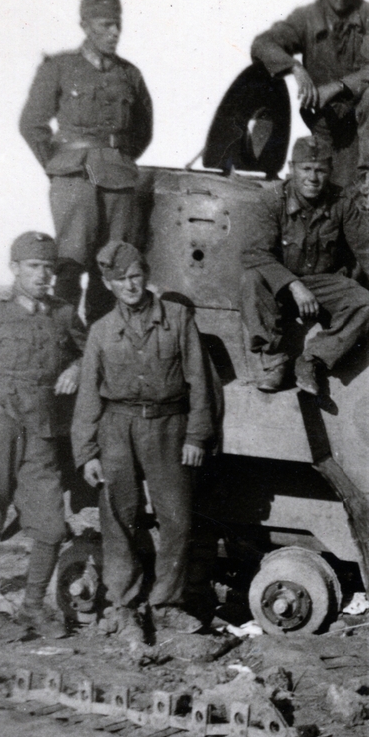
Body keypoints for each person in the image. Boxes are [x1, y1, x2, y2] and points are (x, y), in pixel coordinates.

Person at [0, 232, 85, 641]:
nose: (43, 275)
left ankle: (31, 609)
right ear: (14, 268)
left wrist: (75, 369)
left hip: (42, 430)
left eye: (48, 268)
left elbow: (86, 349)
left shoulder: (62, 313)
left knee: (51, 525)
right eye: (34, 267)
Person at [70, 242, 215, 641]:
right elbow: (88, 397)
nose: (130, 286)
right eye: (120, 280)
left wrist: (196, 435)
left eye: (135, 276)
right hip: (116, 427)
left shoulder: (179, 318)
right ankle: (125, 606)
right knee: (118, 517)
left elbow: (200, 382)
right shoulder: (101, 332)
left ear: (146, 275)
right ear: (108, 284)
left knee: (178, 518)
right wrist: (87, 453)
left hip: (168, 425)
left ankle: (166, 604)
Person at [240, 134, 369, 395]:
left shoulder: (341, 203)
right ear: (292, 169)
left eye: (321, 170)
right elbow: (256, 253)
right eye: (306, 169)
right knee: (252, 279)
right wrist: (293, 285)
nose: (313, 177)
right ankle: (272, 361)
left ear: (330, 171)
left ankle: (312, 361)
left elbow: (368, 249)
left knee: (365, 304)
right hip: (280, 283)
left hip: (323, 283)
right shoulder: (271, 200)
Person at [19, 0, 153, 323]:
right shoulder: (59, 67)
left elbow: (142, 130)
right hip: (74, 178)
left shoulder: (130, 75)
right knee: (69, 262)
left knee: (111, 263)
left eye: (117, 25)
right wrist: (58, 165)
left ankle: (98, 342)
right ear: (85, 25)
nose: (114, 32)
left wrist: (114, 157)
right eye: (106, 25)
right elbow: (31, 123)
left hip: (118, 182)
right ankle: (63, 341)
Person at [251, 0, 369, 212]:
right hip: (325, 127)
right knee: (327, 208)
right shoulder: (306, 18)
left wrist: (337, 87)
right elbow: (262, 44)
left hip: (360, 128)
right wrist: (295, 67)